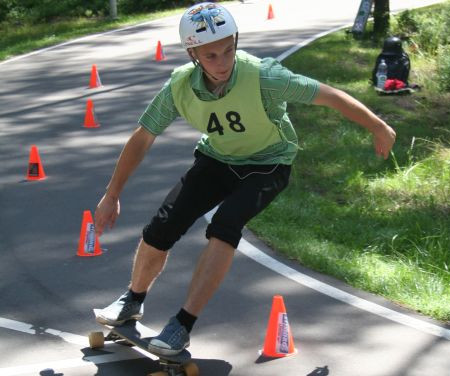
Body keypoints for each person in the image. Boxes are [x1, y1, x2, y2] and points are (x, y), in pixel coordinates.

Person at [94, 2, 396, 357]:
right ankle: (133, 298)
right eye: (211, 56)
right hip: (218, 159)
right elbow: (143, 137)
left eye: (228, 50)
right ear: (193, 54)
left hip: (268, 164)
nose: (222, 63)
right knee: (163, 225)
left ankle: (182, 325)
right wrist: (112, 194)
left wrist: (378, 126)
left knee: (225, 224)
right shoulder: (180, 86)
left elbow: (326, 95)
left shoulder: (264, 76)